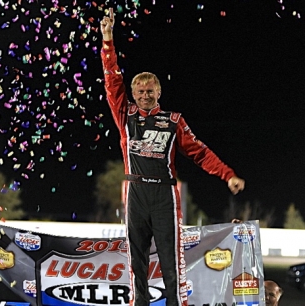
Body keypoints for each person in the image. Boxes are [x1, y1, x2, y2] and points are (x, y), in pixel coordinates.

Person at [100, 8, 245, 306]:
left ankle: (176, 303)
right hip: (135, 191)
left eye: (149, 91)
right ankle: (138, 303)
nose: (144, 96)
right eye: (139, 91)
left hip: (166, 192)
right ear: (133, 93)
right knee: (136, 257)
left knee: (170, 257)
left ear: (158, 92)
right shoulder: (124, 114)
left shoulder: (174, 120)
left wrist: (227, 174)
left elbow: (200, 152)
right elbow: (111, 81)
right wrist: (108, 40)